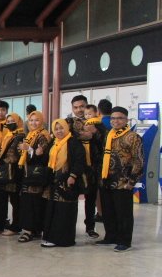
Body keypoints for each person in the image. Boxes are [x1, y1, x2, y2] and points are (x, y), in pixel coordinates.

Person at [97, 106, 144, 252]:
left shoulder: (133, 137)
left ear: (126, 120)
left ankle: (124, 241)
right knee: (108, 211)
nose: (115, 121)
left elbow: (138, 160)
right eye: (113, 118)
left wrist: (132, 181)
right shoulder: (109, 134)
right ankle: (111, 236)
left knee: (123, 213)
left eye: (119, 118)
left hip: (123, 181)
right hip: (106, 180)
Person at [41, 119, 85, 248]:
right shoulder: (53, 143)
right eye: (56, 129)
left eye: (61, 128)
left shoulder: (73, 142)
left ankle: (64, 239)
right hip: (53, 181)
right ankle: (51, 237)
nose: (59, 131)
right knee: (53, 209)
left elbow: (79, 160)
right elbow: (46, 160)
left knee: (64, 210)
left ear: (67, 128)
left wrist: (73, 175)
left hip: (67, 182)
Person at [67, 95, 101, 238]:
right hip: (75, 165)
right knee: (71, 197)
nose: (79, 110)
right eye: (76, 107)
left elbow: (103, 141)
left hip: (92, 166)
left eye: (82, 106)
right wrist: (81, 136)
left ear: (87, 105)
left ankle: (90, 227)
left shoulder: (97, 123)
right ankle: (69, 227)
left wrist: (95, 134)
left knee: (90, 198)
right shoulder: (69, 123)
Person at [17, 111, 52, 243]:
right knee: (29, 202)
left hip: (37, 176)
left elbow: (43, 156)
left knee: (34, 203)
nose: (33, 123)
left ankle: (29, 231)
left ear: (42, 121)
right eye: (31, 120)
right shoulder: (31, 135)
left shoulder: (43, 136)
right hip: (29, 174)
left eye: (36, 120)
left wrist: (29, 149)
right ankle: (33, 229)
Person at [0, 113, 25, 235]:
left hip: (14, 173)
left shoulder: (21, 136)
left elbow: (16, 155)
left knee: (15, 201)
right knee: (3, 199)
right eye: (8, 121)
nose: (10, 123)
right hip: (5, 172)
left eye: (13, 121)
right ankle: (1, 225)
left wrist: (1, 162)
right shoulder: (8, 135)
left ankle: (16, 227)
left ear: (18, 122)